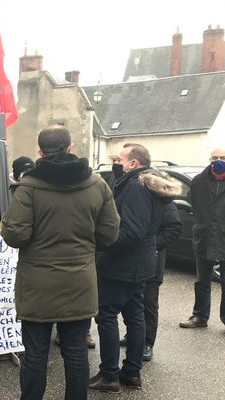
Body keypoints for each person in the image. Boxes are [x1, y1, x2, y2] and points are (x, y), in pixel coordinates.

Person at [1, 125, 120, 400]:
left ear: (40, 152)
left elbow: (15, 234)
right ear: (70, 148)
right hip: (79, 282)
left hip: (37, 285)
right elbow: (110, 234)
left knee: (35, 355)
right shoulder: (97, 184)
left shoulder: (28, 188)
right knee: (76, 352)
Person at [91, 144, 181, 393]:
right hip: (140, 264)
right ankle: (131, 373)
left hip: (123, 264)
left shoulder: (136, 186)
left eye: (120, 159)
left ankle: (109, 375)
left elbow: (131, 231)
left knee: (107, 315)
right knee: (135, 316)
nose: (116, 163)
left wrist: (101, 243)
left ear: (133, 163)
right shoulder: (150, 185)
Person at [120, 201, 182, 361]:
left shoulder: (161, 196)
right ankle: (133, 335)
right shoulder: (131, 189)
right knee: (131, 301)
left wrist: (154, 245)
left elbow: (174, 227)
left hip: (152, 260)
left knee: (149, 302)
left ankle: (148, 342)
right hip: (131, 260)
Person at [179, 147, 225, 329]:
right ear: (209, 159)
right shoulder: (198, 181)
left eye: (223, 157)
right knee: (202, 280)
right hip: (204, 236)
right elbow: (195, 205)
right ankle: (199, 316)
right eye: (215, 158)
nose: (219, 161)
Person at [0, 156, 34, 223]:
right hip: (13, 228)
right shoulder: (5, 188)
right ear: (16, 175)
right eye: (24, 173)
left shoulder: (38, 187)